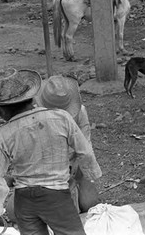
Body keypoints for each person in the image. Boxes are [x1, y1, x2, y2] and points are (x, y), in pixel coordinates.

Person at [0, 68, 101, 234]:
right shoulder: (62, 118)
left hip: (24, 200)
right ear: (31, 98)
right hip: (57, 195)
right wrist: (93, 174)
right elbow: (85, 151)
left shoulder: (3, 134)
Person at [35, 75, 99, 212]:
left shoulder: (80, 112)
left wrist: (79, 173)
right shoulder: (35, 117)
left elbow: (86, 147)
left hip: (74, 164)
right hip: (45, 171)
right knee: (15, 211)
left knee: (89, 203)